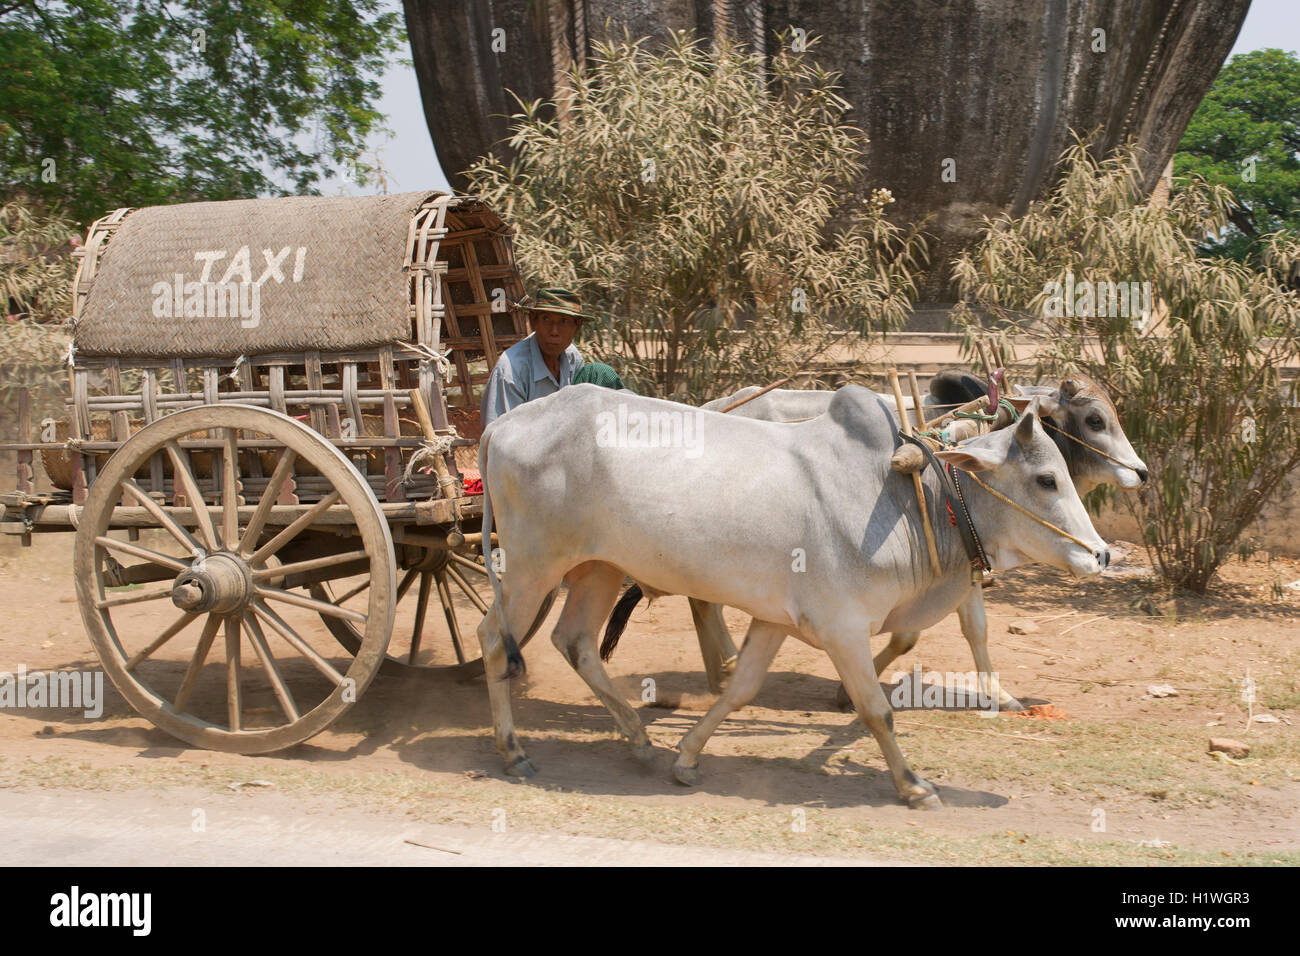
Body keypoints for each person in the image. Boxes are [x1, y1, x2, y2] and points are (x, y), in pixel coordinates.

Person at [480, 287, 586, 427]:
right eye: (546, 319)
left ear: (576, 327)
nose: (554, 331)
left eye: (564, 321)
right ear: (533, 321)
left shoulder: (573, 359)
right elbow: (498, 438)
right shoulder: (511, 370)